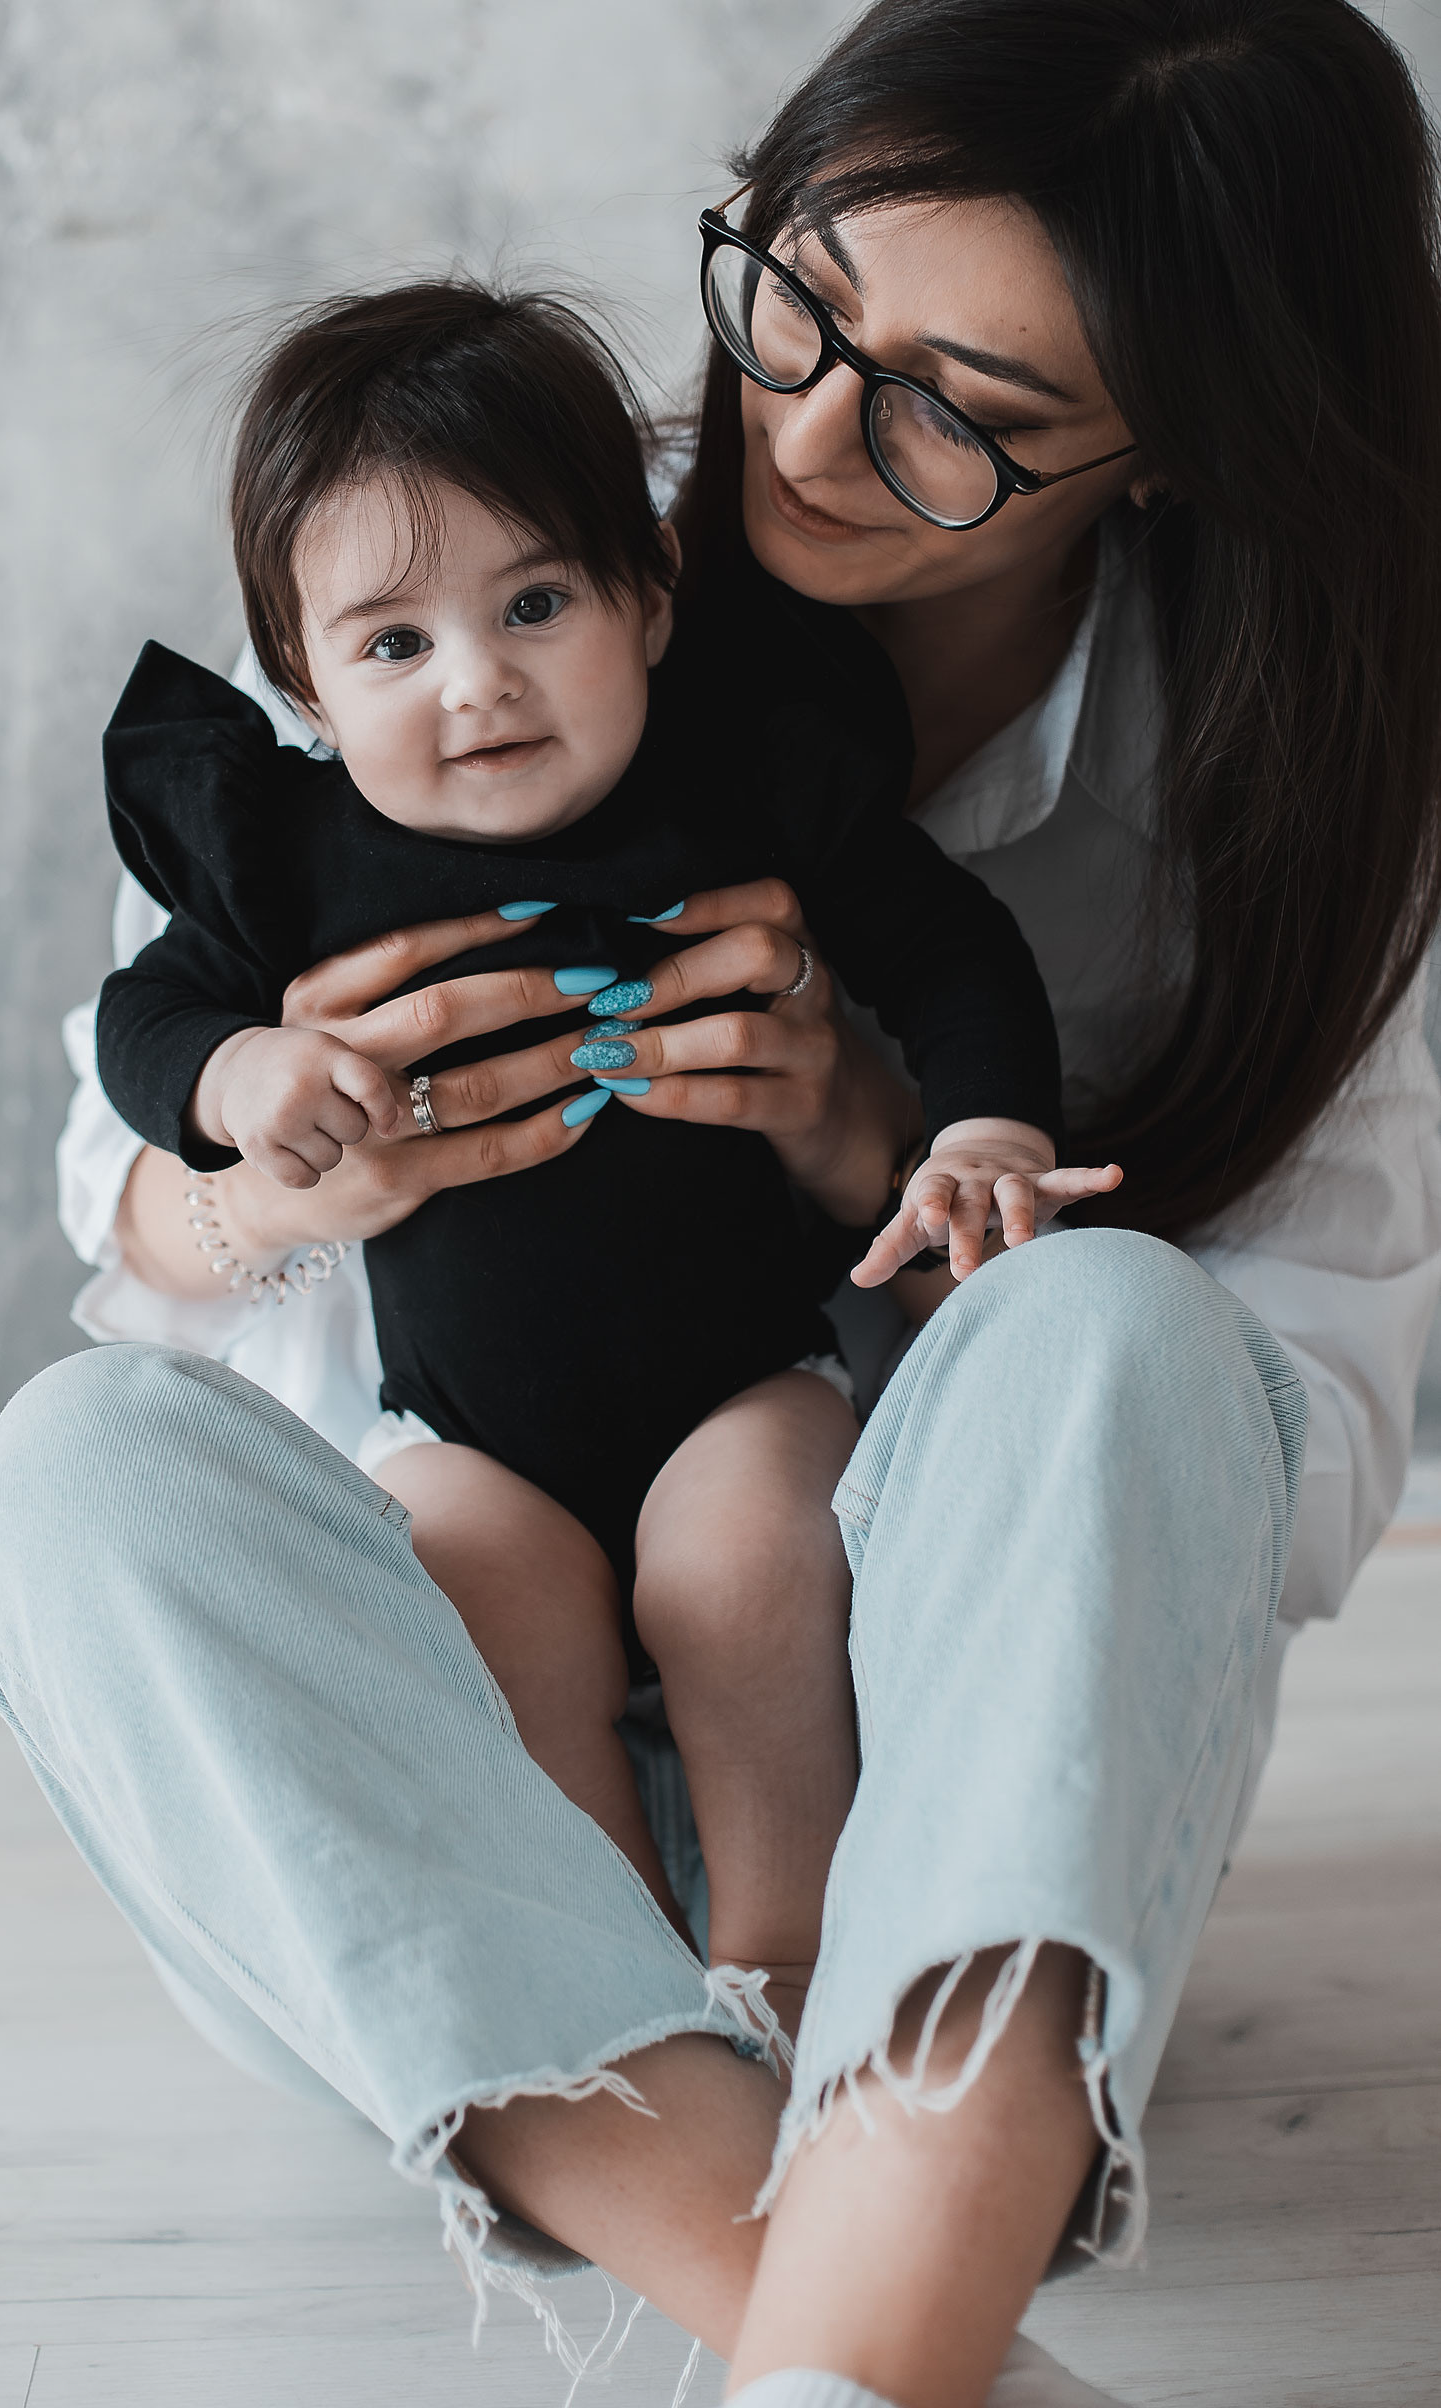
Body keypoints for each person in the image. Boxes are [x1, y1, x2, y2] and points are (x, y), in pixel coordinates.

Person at [0, 0, 1441, 2408]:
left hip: (952, 1783)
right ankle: (875, 2322)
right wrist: (265, 1184)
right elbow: (120, 1178)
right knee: (76, 1469)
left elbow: (1273, 1460)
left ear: (1166, 444)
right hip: (413, 1794)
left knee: (1102, 1313)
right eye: (798, 302)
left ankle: (845, 2269)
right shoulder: (446, 561)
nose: (809, 435)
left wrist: (895, 1153)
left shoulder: (1293, 789)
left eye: (962, 406)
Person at [95, 277, 1117, 2024]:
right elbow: (149, 1021)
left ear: (647, 601)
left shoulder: (742, 789)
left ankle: (789, 1947)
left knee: (744, 1571)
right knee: (464, 1588)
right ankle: (614, 1964)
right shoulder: (294, 866)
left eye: (537, 603)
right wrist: (242, 1076)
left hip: (745, 1380)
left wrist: (983, 1121)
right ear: (308, 685)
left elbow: (946, 947)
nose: (480, 685)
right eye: (396, 644)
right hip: (460, 1428)